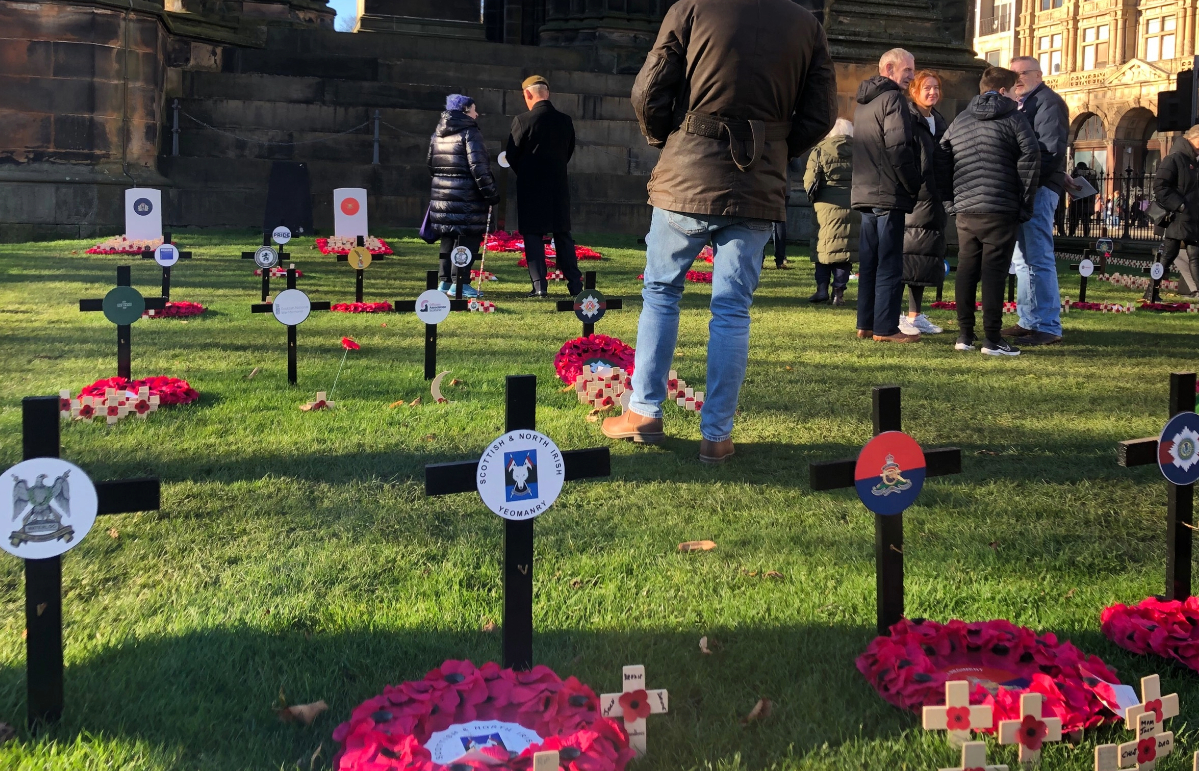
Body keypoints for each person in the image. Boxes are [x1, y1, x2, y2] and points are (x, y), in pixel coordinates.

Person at [603, 0, 836, 463]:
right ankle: (717, 435)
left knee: (662, 292)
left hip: (688, 170)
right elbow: (821, 113)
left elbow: (649, 90)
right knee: (732, 310)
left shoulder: (692, 7)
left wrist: (666, 137)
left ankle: (646, 411)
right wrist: (775, 146)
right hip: (757, 179)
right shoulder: (806, 24)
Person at [940, 66, 1039, 356]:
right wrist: (1024, 203)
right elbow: (1030, 158)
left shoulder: (961, 119)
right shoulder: (1015, 119)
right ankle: (993, 338)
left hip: (967, 209)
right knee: (994, 272)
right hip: (1000, 207)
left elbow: (942, 155)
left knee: (967, 270)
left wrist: (950, 200)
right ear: (1005, 91)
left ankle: (965, 335)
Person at [852, 48, 923, 343]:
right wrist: (912, 183)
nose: (912, 76)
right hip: (887, 192)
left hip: (866, 192)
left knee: (869, 261)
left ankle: (866, 324)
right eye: (907, 70)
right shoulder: (893, 99)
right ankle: (885, 328)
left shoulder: (863, 104)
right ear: (889, 69)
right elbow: (899, 147)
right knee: (890, 262)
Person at [1004, 56, 1071, 347]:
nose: (1016, 79)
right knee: (1022, 257)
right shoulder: (1024, 103)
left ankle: (1047, 324)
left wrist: (1026, 181)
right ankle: (1029, 320)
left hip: (1039, 187)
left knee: (1038, 256)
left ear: (1039, 74)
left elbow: (1050, 151)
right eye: (1013, 74)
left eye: (1022, 74)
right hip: (1027, 186)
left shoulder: (1048, 102)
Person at [505, 75, 584, 298]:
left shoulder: (522, 120)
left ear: (528, 94)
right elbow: (568, 151)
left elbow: (512, 154)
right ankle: (575, 284)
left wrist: (527, 171)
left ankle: (539, 285)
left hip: (531, 186)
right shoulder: (565, 120)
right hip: (557, 184)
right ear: (547, 94)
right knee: (562, 233)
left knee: (533, 233)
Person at [427, 94, 499, 299]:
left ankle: (445, 281)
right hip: (467, 197)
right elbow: (479, 168)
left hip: (442, 195)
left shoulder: (438, 133)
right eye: (474, 109)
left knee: (448, 236)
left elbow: (430, 164)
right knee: (467, 240)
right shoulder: (470, 133)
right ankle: (461, 282)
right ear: (465, 110)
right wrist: (491, 193)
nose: (477, 113)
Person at [899, 70, 952, 337]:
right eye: (927, 88)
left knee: (923, 258)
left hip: (934, 199)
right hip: (915, 198)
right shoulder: (909, 118)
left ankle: (915, 314)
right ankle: (898, 314)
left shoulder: (939, 120)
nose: (932, 92)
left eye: (936, 87)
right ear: (915, 91)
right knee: (907, 254)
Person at [804, 118, 858, 305]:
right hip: (852, 204)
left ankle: (821, 289)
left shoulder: (819, 151)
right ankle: (838, 293)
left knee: (823, 250)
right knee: (845, 250)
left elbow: (809, 182)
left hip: (825, 206)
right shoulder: (860, 152)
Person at [1151, 125, 1199, 297]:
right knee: (1184, 254)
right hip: (1179, 217)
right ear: (1195, 138)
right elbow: (1160, 186)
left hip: (1191, 217)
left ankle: (1152, 290)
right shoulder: (1175, 158)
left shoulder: (1193, 160)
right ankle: (1152, 290)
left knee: (1171, 255)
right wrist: (1180, 205)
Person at [1067, 161, 1096, 237]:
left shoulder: (1075, 173)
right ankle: (1085, 235)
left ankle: (1071, 234)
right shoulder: (1092, 174)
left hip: (1077, 202)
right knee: (1085, 222)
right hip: (1087, 203)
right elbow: (1096, 189)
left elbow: (1069, 184)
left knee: (1074, 221)